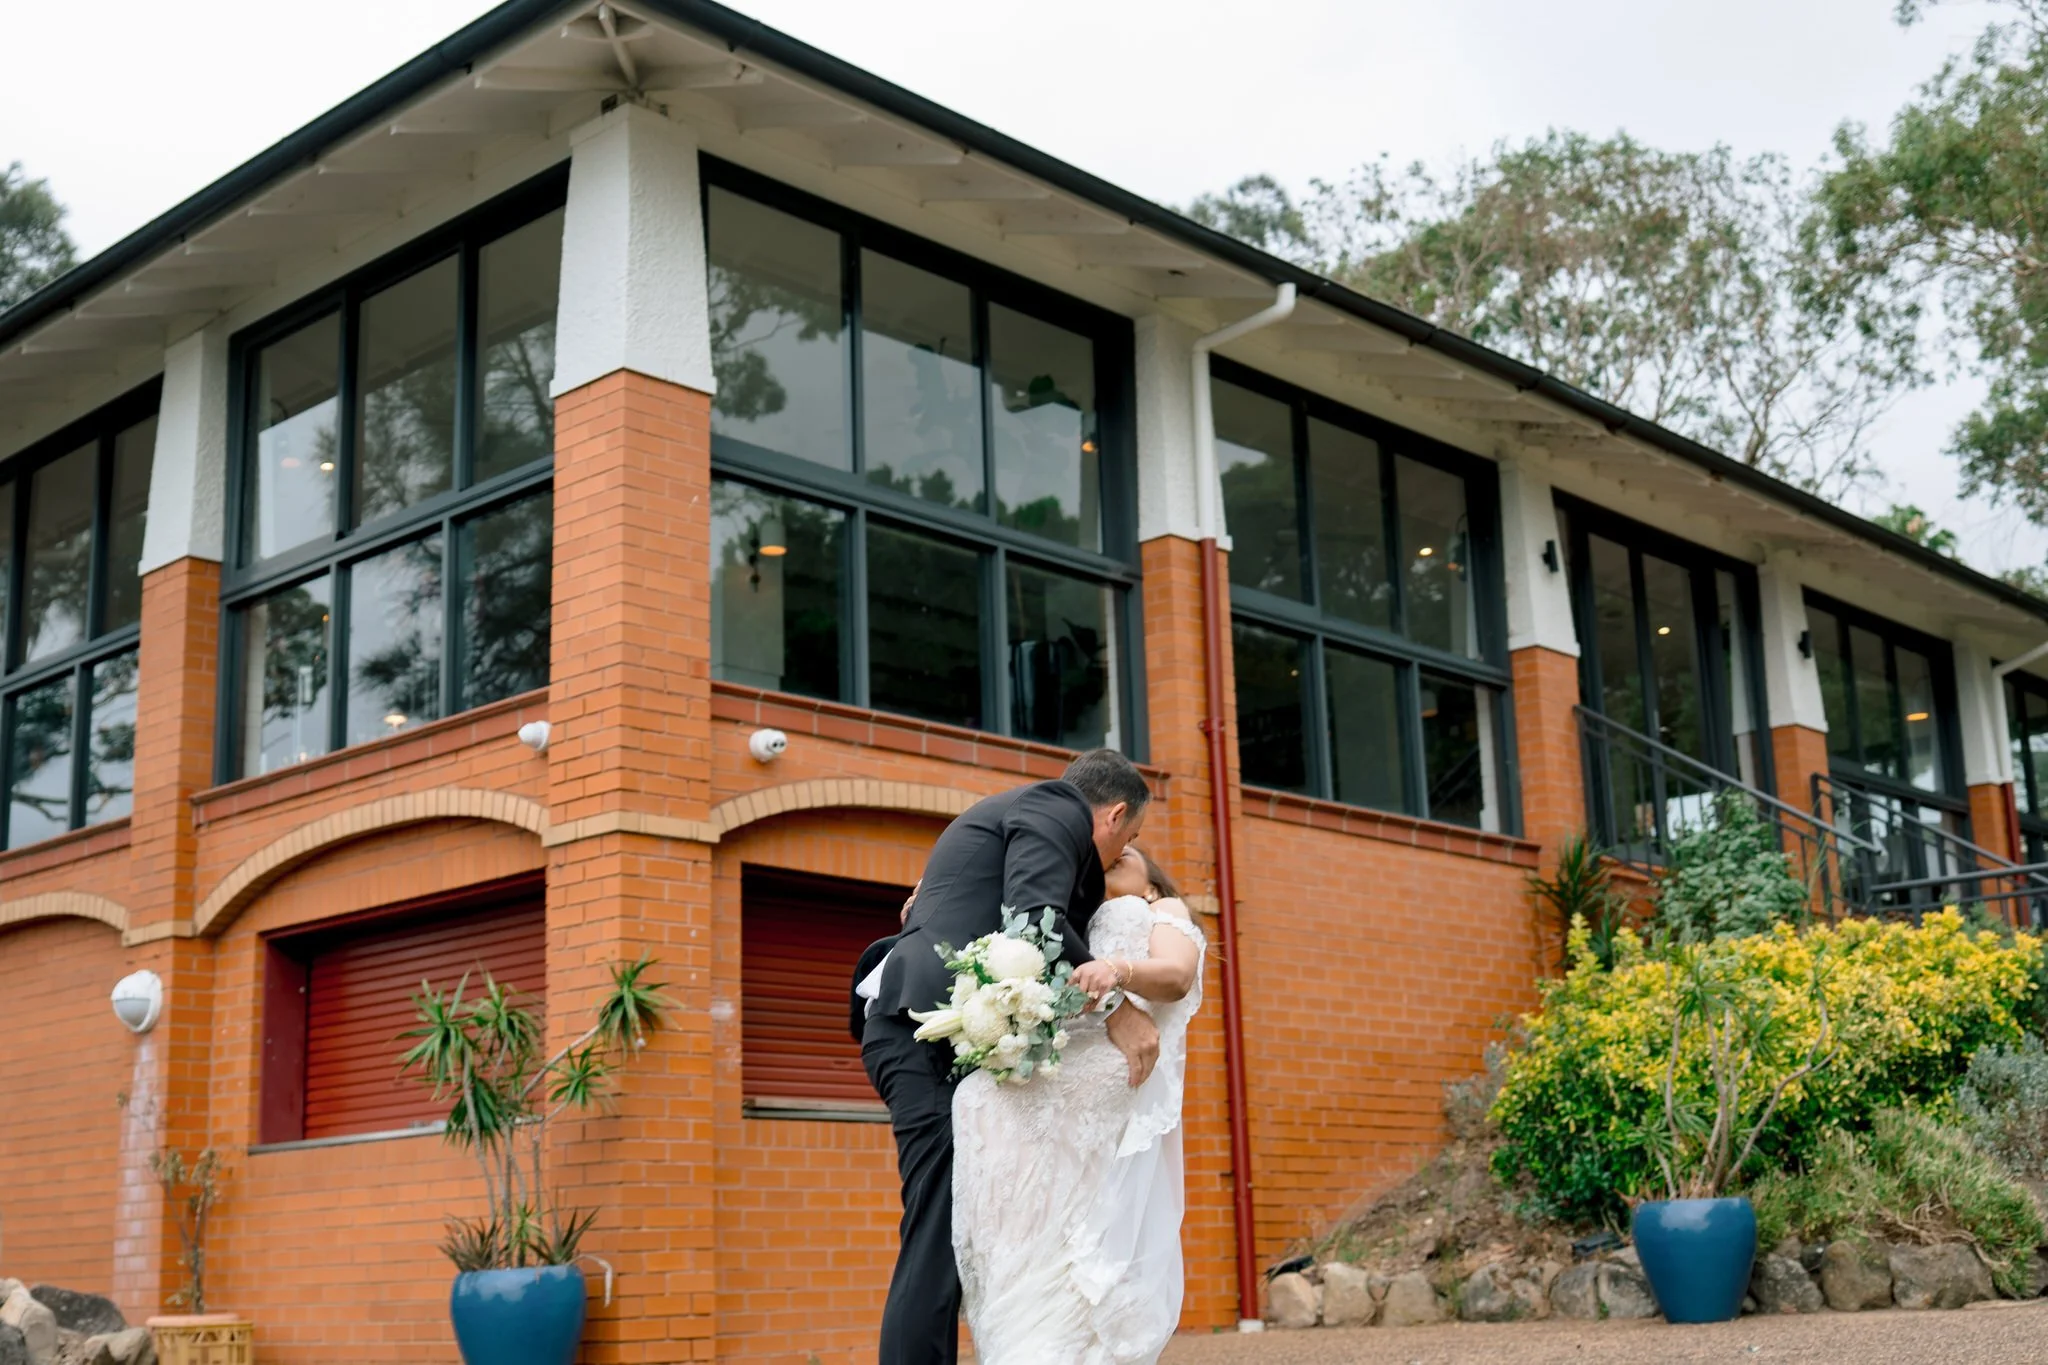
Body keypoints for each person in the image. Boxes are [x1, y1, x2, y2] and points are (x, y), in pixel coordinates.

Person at [857, 750, 1162, 1365]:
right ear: (1116, 814)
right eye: (1129, 839)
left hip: (951, 1036)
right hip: (922, 1030)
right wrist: (1118, 1010)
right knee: (939, 1223)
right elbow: (1035, 920)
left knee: (953, 1224)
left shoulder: (1017, 819)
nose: (1123, 853)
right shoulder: (1054, 807)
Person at [951, 847, 1204, 1365]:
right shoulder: (1069, 919)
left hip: (1097, 1084)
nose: (1118, 851)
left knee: (1078, 1231)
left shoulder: (1162, 911)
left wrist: (1116, 969)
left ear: (1151, 884)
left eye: (1131, 851)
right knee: (1024, 1225)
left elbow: (1176, 974)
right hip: (1042, 1081)